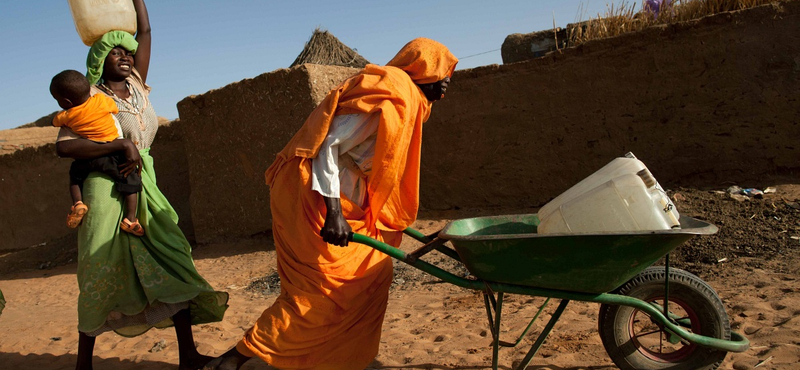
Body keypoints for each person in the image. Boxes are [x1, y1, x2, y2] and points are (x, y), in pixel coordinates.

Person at [204, 37, 458, 370]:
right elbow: (327, 145)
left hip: (338, 193)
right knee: (322, 293)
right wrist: (334, 214)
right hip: (313, 193)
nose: (444, 89)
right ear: (426, 71)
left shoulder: (410, 101)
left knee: (369, 277)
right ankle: (233, 359)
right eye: (444, 80)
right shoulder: (392, 95)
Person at [54, 1, 228, 369]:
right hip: (103, 185)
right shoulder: (92, 98)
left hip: (143, 181)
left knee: (173, 257)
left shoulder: (136, 83)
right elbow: (64, 147)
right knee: (100, 264)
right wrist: (119, 144)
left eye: (127, 52)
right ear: (99, 62)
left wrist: (137, 1)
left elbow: (145, 33)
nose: (125, 56)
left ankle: (188, 354)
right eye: (115, 52)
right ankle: (83, 362)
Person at [50, 69, 144, 236]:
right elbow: (114, 108)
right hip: (114, 154)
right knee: (131, 182)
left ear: (66, 101)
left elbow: (55, 123)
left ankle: (78, 203)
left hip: (88, 157)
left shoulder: (66, 115)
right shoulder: (101, 100)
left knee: (74, 178)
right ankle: (130, 218)